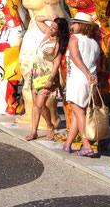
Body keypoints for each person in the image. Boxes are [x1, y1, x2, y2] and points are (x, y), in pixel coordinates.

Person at [63, 12, 101, 157]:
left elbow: (75, 57)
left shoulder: (75, 38)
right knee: (77, 112)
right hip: (91, 80)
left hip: (79, 78)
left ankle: (86, 145)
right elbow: (96, 63)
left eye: (75, 23)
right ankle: (68, 144)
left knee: (79, 112)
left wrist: (86, 74)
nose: (73, 26)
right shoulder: (95, 43)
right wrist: (91, 75)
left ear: (81, 25)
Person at [26, 16, 70, 141]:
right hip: (36, 73)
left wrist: (51, 79)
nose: (51, 29)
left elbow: (56, 63)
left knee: (40, 104)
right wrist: (51, 18)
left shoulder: (59, 42)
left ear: (60, 31)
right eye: (51, 26)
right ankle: (34, 131)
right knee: (35, 104)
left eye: (54, 28)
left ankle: (50, 126)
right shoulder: (47, 32)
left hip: (47, 75)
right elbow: (37, 19)